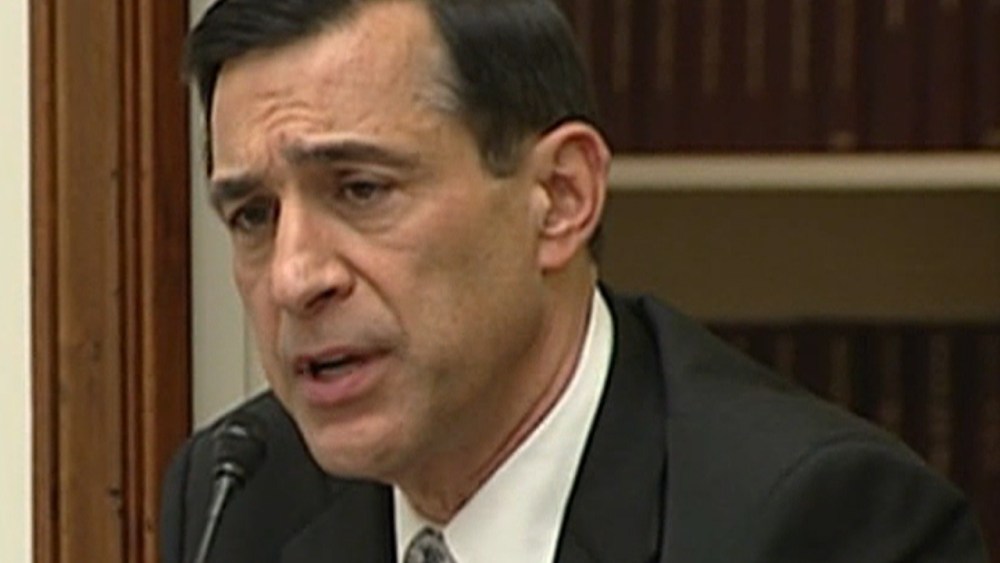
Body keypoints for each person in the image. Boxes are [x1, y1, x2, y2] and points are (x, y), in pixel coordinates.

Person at [161, 0, 989, 561]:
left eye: (361, 189)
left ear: (559, 198)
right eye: (253, 215)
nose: (295, 276)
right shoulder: (241, 493)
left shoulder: (818, 523)